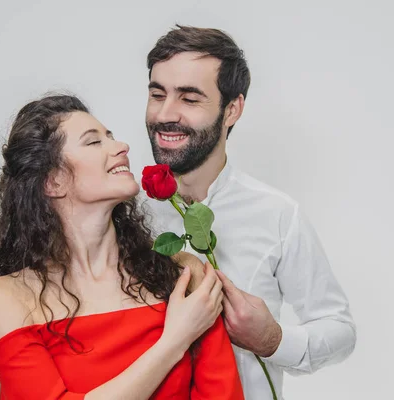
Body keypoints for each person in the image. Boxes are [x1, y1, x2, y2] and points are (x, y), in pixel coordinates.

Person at [0, 94, 244, 399]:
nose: (121, 147)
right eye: (93, 142)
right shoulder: (5, 299)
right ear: (53, 182)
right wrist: (175, 339)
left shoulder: (181, 274)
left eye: (110, 136)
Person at [140, 25, 357, 399]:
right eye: (157, 94)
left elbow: (340, 330)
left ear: (232, 110)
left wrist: (273, 339)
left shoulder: (277, 214)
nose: (165, 113)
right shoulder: (122, 215)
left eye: (189, 99)